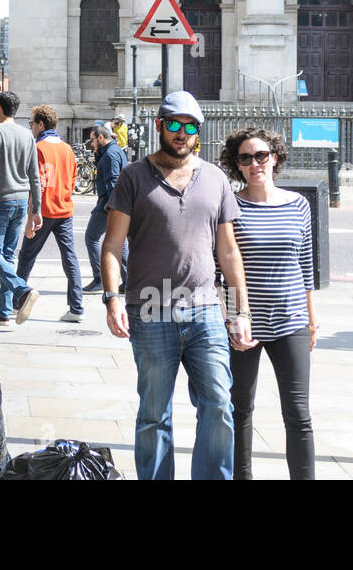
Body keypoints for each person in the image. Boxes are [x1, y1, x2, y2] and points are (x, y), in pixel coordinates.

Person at [100, 90, 255, 480]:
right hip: (149, 311)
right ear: (159, 126)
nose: (181, 133)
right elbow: (113, 244)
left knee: (219, 404)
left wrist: (239, 312)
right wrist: (112, 297)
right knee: (154, 414)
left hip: (204, 310)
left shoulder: (215, 179)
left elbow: (229, 253)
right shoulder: (134, 176)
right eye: (174, 124)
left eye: (189, 126)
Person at [219, 127, 318, 480]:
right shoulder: (231, 206)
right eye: (245, 158)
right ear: (238, 165)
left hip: (290, 320)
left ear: (274, 157)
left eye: (261, 155)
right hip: (246, 322)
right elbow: (222, 270)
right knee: (239, 410)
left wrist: (311, 317)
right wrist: (232, 318)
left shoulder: (298, 205)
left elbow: (305, 265)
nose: (254, 163)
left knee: (298, 414)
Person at [0, 91, 41, 326]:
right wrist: (37, 209)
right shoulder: (27, 135)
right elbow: (35, 175)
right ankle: (3, 312)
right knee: (7, 256)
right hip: (21, 201)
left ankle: (23, 290)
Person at [16, 106, 83, 321]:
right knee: (70, 258)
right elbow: (73, 180)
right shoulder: (67, 149)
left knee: (26, 256)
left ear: (41, 124)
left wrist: (31, 216)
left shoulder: (38, 148)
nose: (31, 128)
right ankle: (76, 308)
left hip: (44, 210)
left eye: (32, 123)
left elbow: (38, 184)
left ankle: (15, 301)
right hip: (64, 209)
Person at [82, 122, 127, 294]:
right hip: (116, 204)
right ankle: (128, 280)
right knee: (120, 243)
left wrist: (111, 208)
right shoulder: (114, 151)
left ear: (101, 137)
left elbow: (113, 182)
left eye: (93, 140)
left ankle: (100, 279)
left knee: (91, 237)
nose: (92, 144)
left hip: (108, 204)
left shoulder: (109, 156)